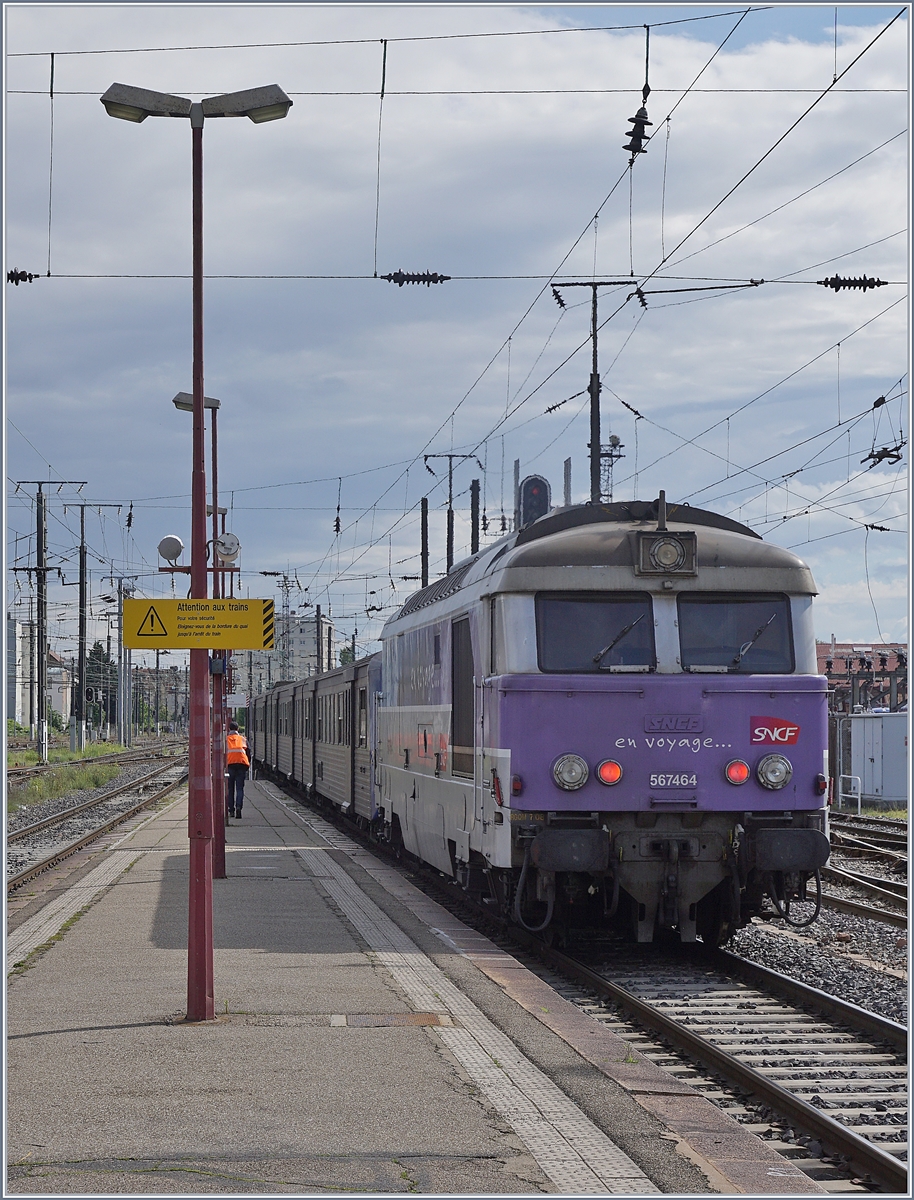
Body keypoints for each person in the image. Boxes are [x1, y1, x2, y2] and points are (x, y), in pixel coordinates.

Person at [225, 721, 250, 818]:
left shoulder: (226, 739)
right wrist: (248, 764)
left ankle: (231, 810)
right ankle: (239, 807)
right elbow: (248, 751)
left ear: (229, 729)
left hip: (230, 765)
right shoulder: (243, 739)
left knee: (230, 789)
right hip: (241, 765)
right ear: (238, 729)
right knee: (240, 788)